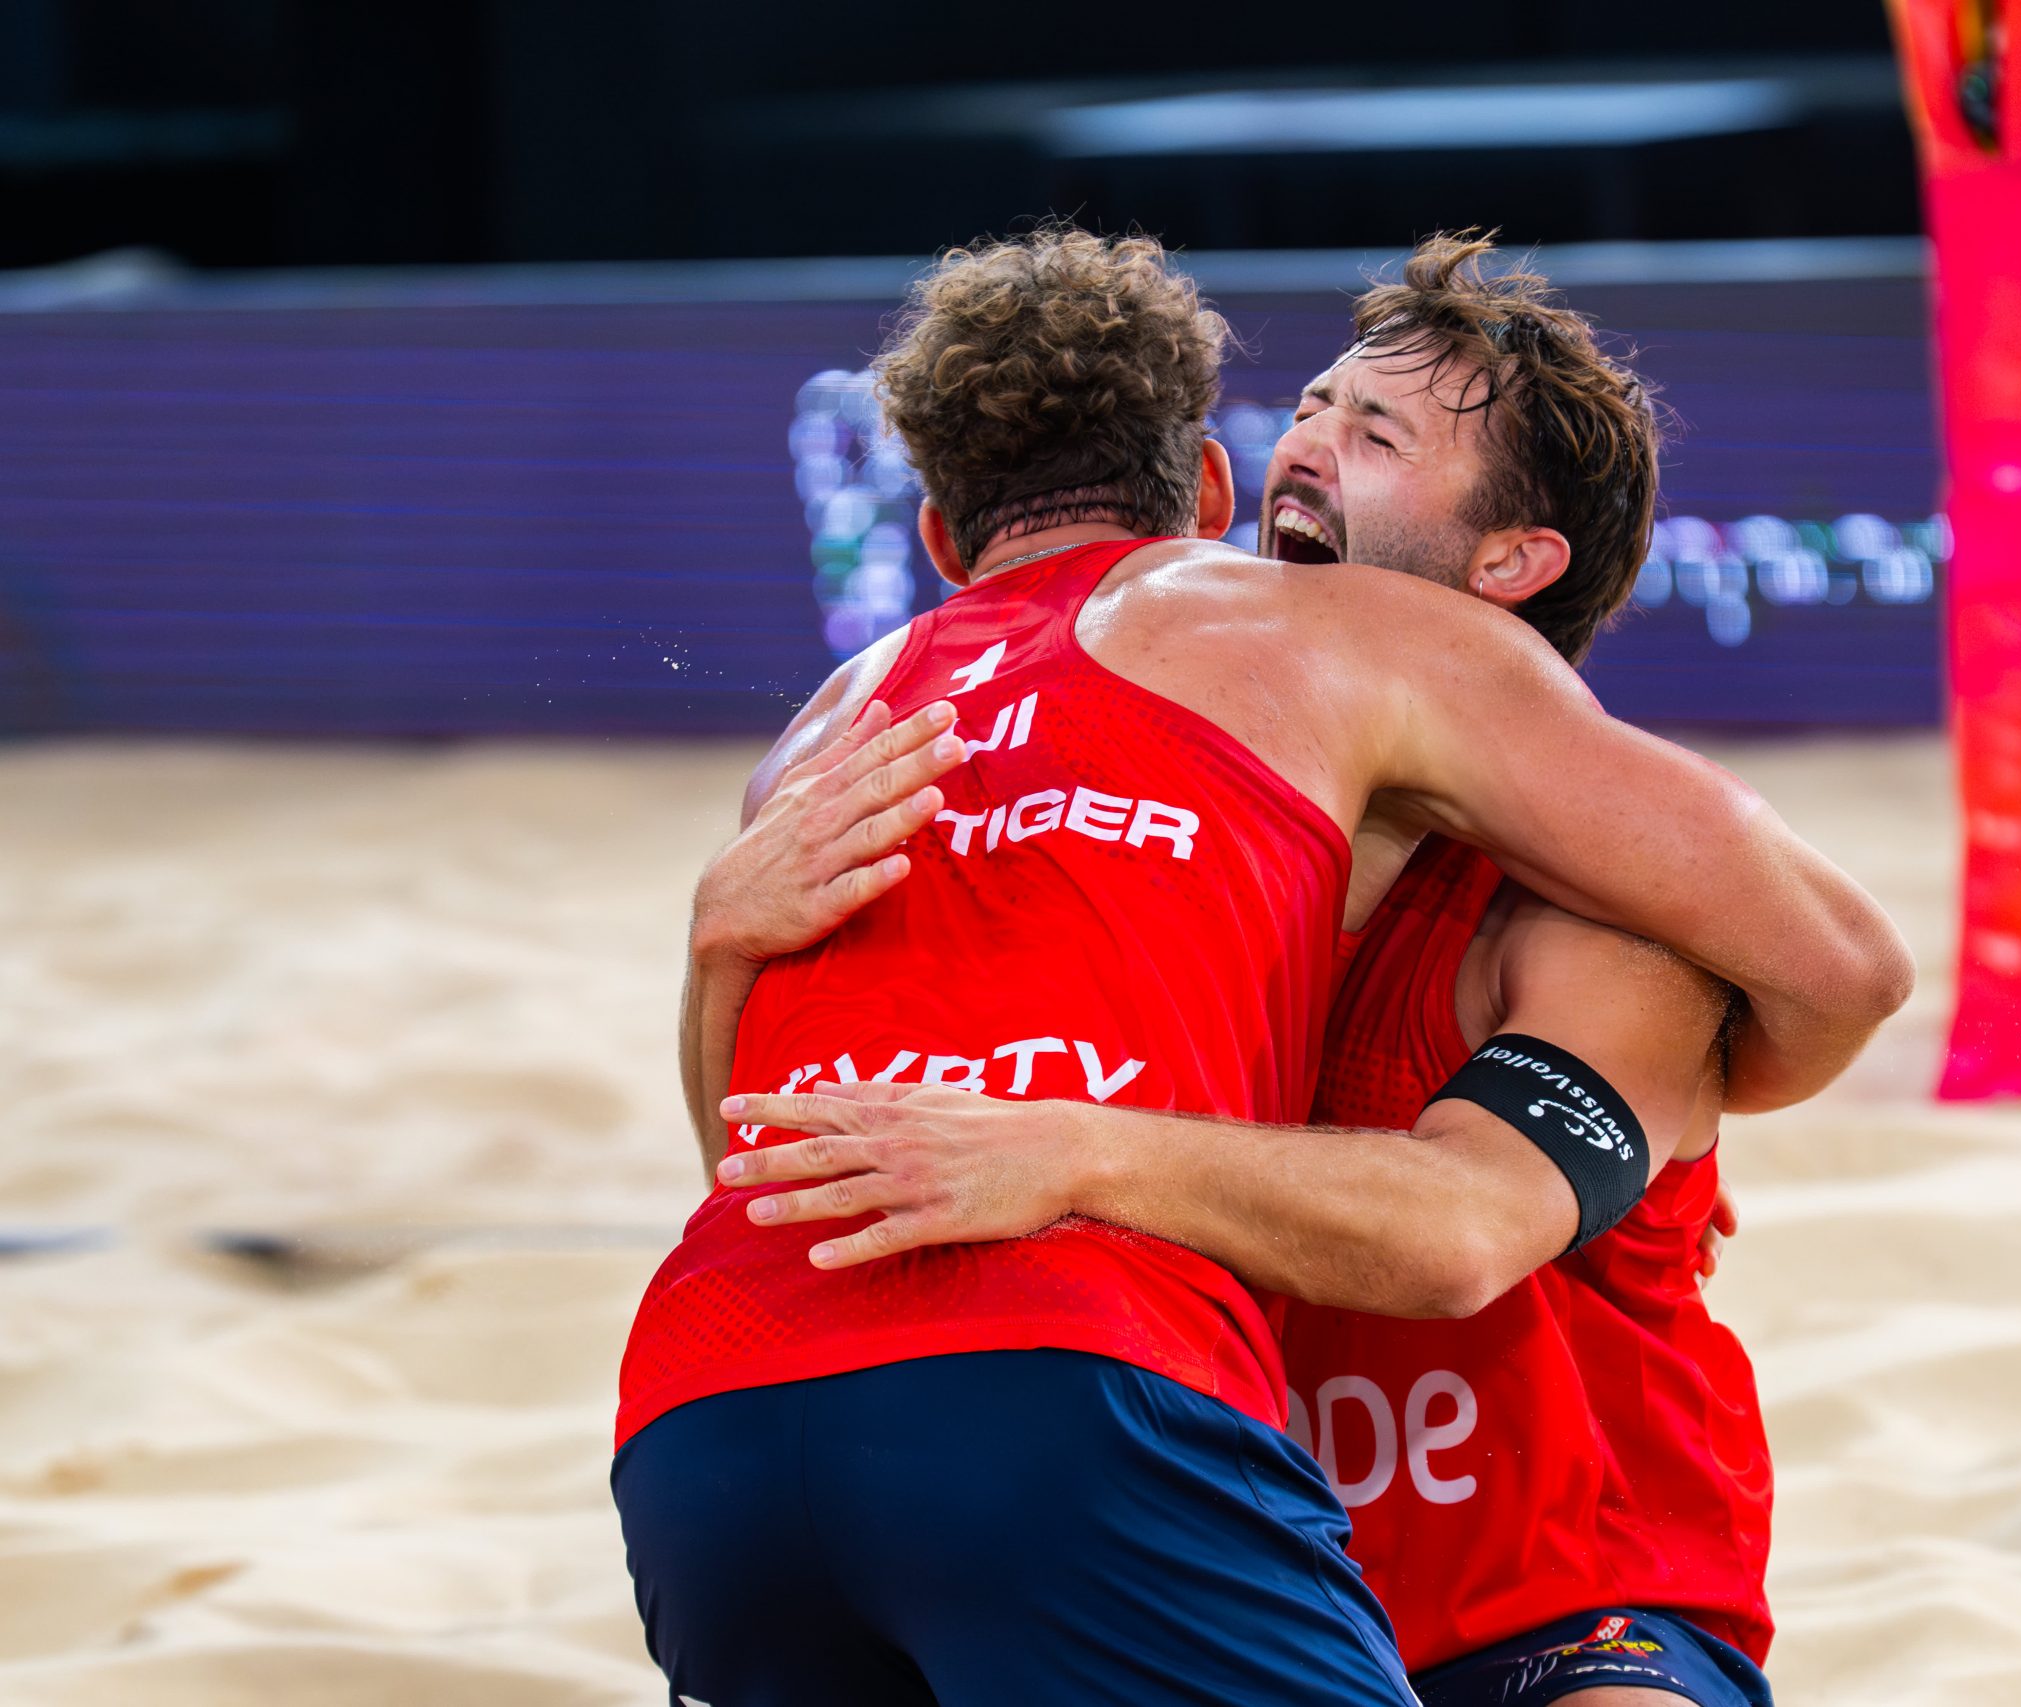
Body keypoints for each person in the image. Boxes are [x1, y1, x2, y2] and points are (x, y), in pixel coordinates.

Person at [619, 227, 1910, 1706]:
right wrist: (722, 941)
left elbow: (1838, 974)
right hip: (1224, 1528)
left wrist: (1699, 1088)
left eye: (1376, 434)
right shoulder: (1163, 846)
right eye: (1307, 406)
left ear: (1506, 568)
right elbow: (772, 1157)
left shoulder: (1600, 927)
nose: (1307, 443)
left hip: (1553, 1598)